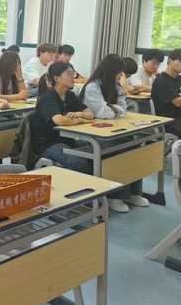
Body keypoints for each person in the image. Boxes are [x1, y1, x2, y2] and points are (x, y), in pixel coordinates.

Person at [79, 54, 147, 212]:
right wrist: (113, 110)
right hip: (90, 134)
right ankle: (115, 196)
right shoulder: (92, 87)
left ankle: (134, 192)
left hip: (109, 129)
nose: (121, 76)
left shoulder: (115, 86)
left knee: (135, 145)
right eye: (119, 72)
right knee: (120, 147)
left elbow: (123, 109)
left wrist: (112, 109)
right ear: (110, 72)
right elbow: (103, 113)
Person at [30, 61, 94, 175]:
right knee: (79, 163)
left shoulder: (69, 95)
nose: (73, 77)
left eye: (73, 74)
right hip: (48, 144)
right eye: (69, 74)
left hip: (67, 139)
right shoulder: (48, 98)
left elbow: (90, 114)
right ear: (56, 78)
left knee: (98, 152)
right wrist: (80, 120)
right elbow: (59, 120)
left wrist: (80, 114)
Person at [152, 48, 181, 138]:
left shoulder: (178, 79)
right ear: (170, 60)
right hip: (168, 121)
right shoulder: (162, 81)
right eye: (180, 61)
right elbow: (178, 102)